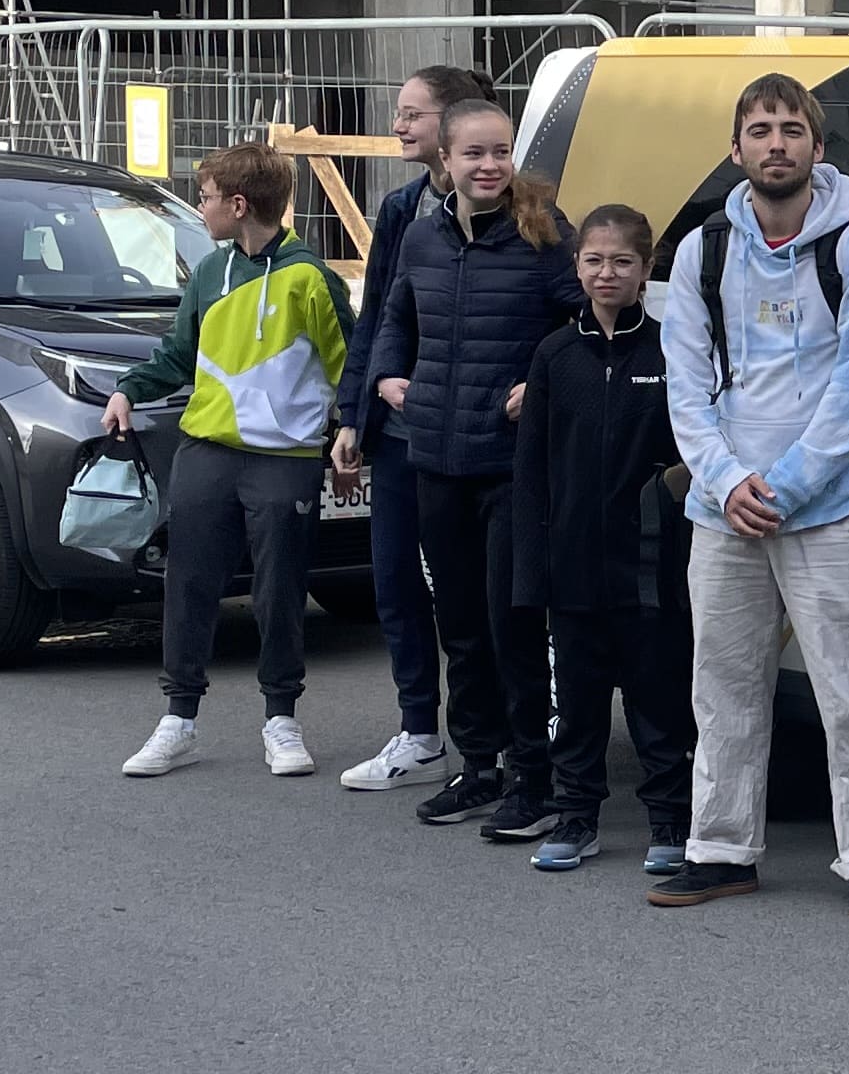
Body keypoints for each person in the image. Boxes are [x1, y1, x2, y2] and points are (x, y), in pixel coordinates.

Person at [650, 75, 849, 923]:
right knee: (722, 686)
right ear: (736, 150)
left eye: (791, 129)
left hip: (832, 506)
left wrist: (788, 486)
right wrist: (728, 483)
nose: (775, 143)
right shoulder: (702, 251)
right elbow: (686, 385)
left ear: (817, 147)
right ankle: (721, 850)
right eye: (759, 130)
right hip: (724, 508)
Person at [358, 95, 580, 839]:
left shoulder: (544, 232)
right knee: (459, 625)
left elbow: (588, 321)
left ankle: (533, 780)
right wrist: (388, 376)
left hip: (510, 466)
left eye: (501, 152)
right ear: (445, 161)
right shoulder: (421, 237)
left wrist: (540, 384)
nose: (490, 166)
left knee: (513, 625)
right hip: (435, 459)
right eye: (475, 154)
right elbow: (395, 316)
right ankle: (479, 767)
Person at [109, 140, 352, 779]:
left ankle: (282, 720)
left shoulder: (312, 279)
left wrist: (352, 429)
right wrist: (129, 390)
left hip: (285, 458)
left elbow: (349, 363)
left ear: (238, 205)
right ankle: (178, 721)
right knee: (189, 584)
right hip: (206, 451)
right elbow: (176, 354)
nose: (201, 207)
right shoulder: (208, 273)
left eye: (208, 197)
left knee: (279, 591)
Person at [511, 205, 693, 878]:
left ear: (647, 269)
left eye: (622, 262)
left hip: (651, 569)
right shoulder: (555, 355)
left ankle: (670, 820)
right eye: (594, 260)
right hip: (573, 568)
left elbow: (692, 459)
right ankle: (576, 818)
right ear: (577, 267)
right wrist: (533, 573)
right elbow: (531, 472)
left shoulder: (673, 351)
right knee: (579, 706)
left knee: (659, 701)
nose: (606, 273)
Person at [330, 62, 495, 791]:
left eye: (412, 113)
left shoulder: (513, 206)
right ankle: (419, 733)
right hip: (400, 430)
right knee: (396, 581)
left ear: (451, 123)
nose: (398, 126)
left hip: (473, 436)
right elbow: (379, 316)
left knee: (473, 595)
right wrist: (354, 414)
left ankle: (494, 744)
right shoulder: (401, 208)